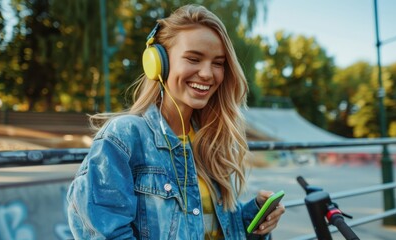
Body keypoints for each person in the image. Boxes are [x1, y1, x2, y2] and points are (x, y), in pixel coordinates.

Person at [67, 4, 285, 239]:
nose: (207, 73)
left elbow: (206, 225)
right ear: (158, 63)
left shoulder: (209, 140)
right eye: (194, 58)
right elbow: (103, 233)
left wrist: (253, 218)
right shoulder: (125, 137)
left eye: (218, 63)